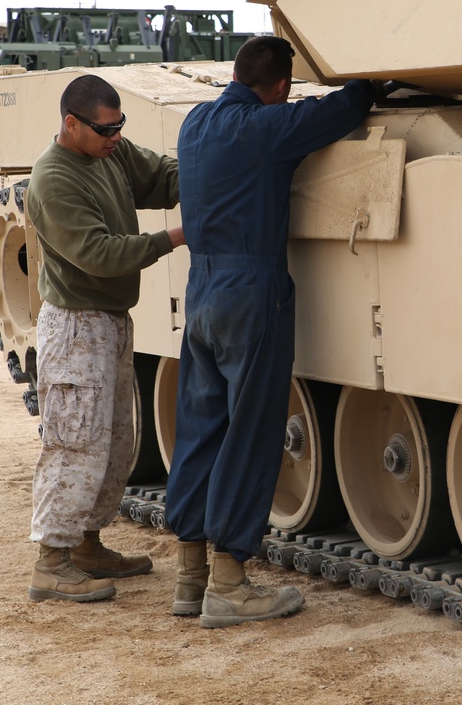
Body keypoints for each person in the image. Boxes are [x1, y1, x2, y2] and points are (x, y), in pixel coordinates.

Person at [165, 36, 376, 628]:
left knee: (201, 431)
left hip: (202, 289)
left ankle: (190, 578)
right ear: (280, 86)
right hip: (248, 295)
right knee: (252, 433)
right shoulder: (264, 128)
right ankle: (230, 584)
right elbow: (336, 112)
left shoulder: (196, 122)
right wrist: (368, 86)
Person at [25, 73, 184, 603]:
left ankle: (87, 546)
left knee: (113, 444)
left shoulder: (108, 149)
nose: (116, 137)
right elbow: (98, 253)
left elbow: (160, 175)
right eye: (104, 129)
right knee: (74, 443)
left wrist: (214, 173)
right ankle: (51, 562)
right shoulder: (53, 179)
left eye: (120, 127)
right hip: (76, 327)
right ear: (71, 125)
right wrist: (175, 237)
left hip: (109, 321)